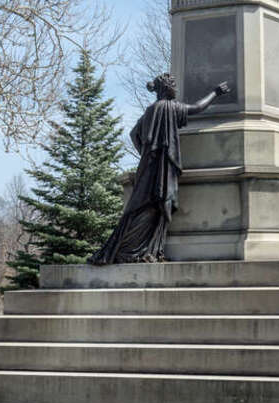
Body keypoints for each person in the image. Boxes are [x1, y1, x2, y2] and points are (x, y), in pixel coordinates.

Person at [89, 74, 229, 264]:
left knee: (144, 205)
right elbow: (197, 108)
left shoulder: (150, 110)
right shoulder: (168, 107)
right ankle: (131, 251)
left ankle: (133, 248)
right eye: (173, 85)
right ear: (164, 89)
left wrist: (146, 153)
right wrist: (216, 92)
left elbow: (133, 134)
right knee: (155, 204)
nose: (176, 89)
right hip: (161, 167)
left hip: (148, 165)